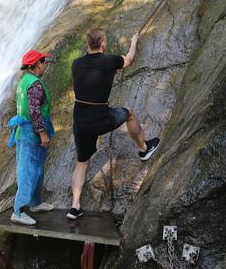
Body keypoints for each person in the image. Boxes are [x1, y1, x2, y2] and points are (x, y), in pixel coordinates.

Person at [67, 28, 160, 220]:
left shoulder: (76, 64)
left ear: (87, 45)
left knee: (81, 163)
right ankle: (144, 149)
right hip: (100, 118)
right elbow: (129, 60)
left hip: (80, 120)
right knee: (129, 114)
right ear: (103, 44)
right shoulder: (109, 60)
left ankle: (75, 206)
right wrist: (134, 42)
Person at [8, 50, 56, 225]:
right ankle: (18, 211)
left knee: (37, 170)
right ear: (37, 64)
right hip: (32, 135)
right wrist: (42, 133)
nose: (46, 65)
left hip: (24, 133)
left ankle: (35, 203)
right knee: (28, 172)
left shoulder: (23, 81)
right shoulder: (35, 84)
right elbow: (35, 111)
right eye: (44, 62)